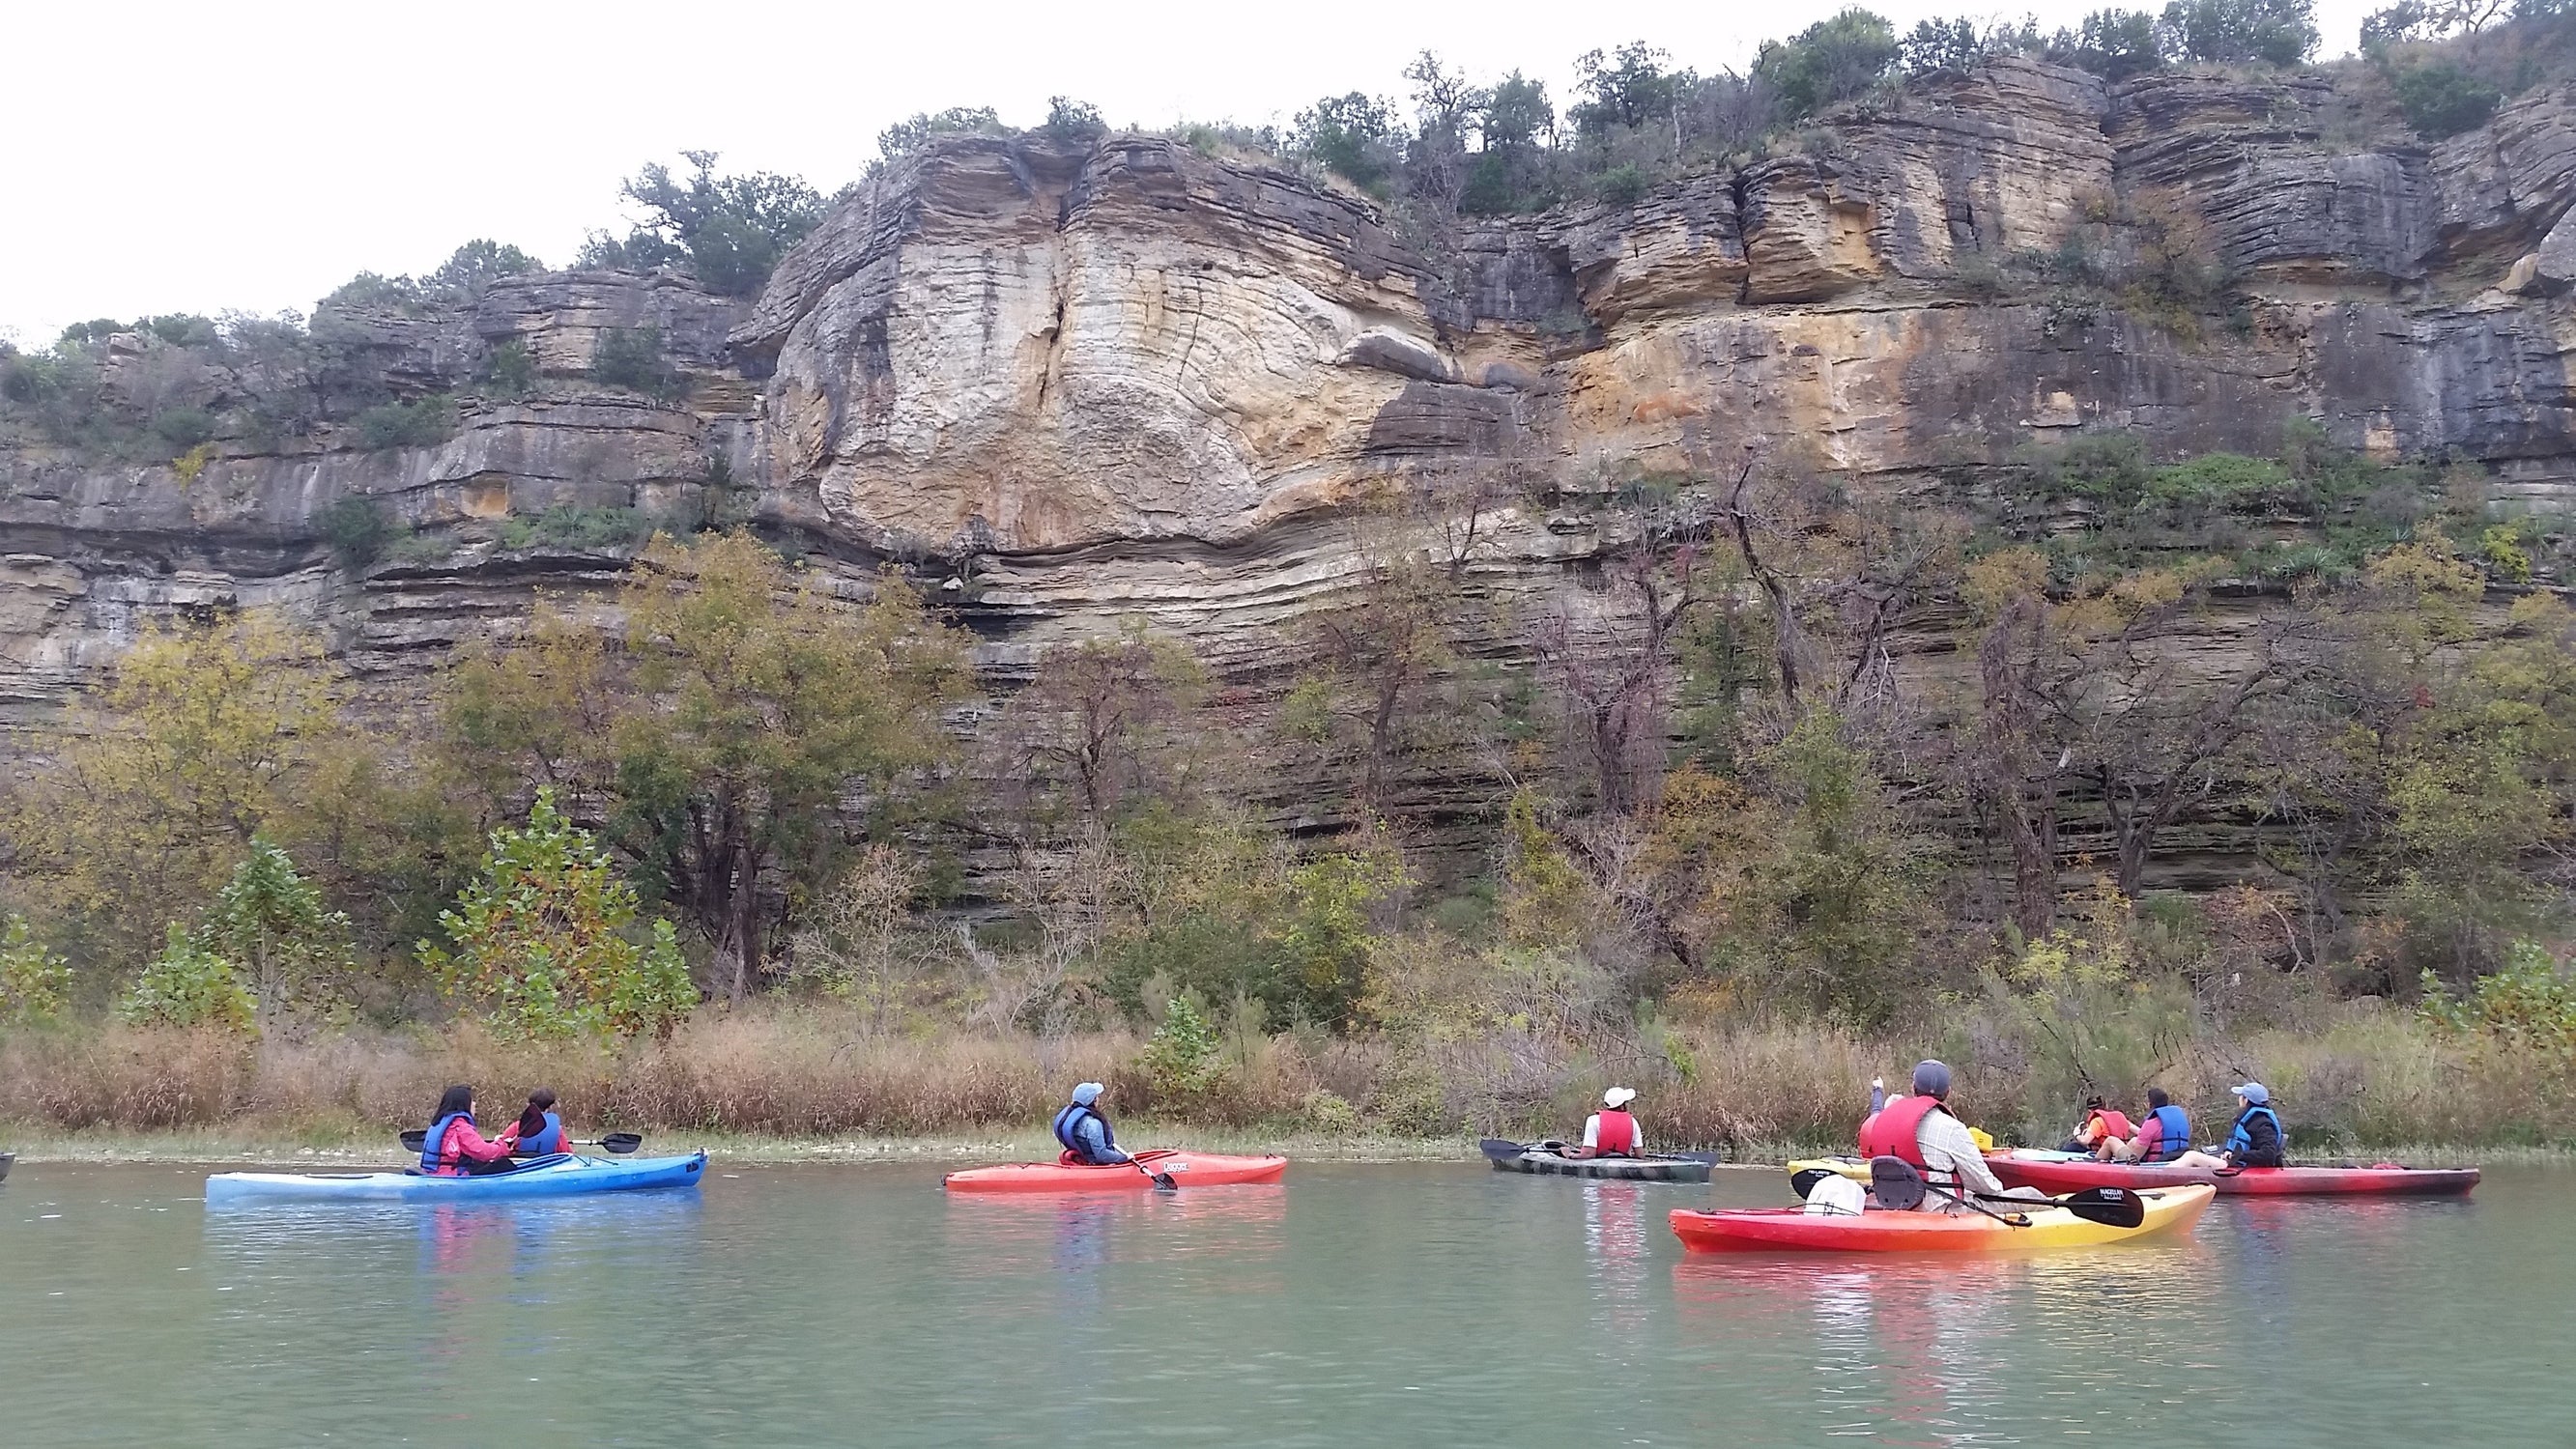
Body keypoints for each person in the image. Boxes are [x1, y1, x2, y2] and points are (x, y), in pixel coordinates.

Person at [1856, 1060, 2030, 1209]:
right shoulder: (1953, 1128)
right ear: (1948, 1092)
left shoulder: (1886, 1118)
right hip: (1940, 1211)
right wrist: (1999, 1189)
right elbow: (1986, 1187)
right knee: (2030, 1194)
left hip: (1893, 1206)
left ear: (1913, 1088)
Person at [2172, 1083, 2284, 1172]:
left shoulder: (2262, 1124)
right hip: (2238, 1163)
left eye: (2241, 1096)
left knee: (2192, 1156)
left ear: (2246, 1100)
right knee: (2197, 1154)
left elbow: (2268, 1154)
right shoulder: (2254, 1119)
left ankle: (2160, 1176)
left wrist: (2237, 1156)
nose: (2239, 1099)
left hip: (2246, 1168)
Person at [420, 1084, 519, 1176]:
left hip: (436, 1172)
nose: (474, 1104)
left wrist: (497, 1143)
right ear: (465, 1104)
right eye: (472, 1101)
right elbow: (485, 1153)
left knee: (479, 1162)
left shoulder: (440, 1122)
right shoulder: (460, 1127)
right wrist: (504, 1146)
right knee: (503, 1164)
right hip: (451, 1175)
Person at [1050, 1082, 1131, 1167]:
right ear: (1094, 1100)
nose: (1099, 1099)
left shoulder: (1069, 1118)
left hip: (1083, 1161)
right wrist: (1125, 1157)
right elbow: (1102, 1155)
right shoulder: (1093, 1124)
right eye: (1097, 1097)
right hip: (1095, 1165)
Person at [2102, 1087, 2190, 1163]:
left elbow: (2136, 1156)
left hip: (2153, 1163)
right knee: (2134, 1140)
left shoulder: (2152, 1123)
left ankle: (2092, 1166)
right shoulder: (2181, 1120)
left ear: (2150, 1104)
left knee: (2111, 1140)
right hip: (2176, 1159)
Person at [1576, 1088, 1644, 1158]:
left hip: (1599, 1166)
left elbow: (1588, 1154)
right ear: (1622, 1107)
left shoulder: (1593, 1120)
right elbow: (1640, 1155)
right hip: (1623, 1165)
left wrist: (1570, 1155)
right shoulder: (1633, 1122)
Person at [2059, 1095, 2132, 1154]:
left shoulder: (2097, 1121)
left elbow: (2085, 1141)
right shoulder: (2120, 1119)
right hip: (2119, 1150)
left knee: (2073, 1146)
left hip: (2103, 1153)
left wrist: (2077, 1134)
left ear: (2090, 1110)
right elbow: (2139, 1132)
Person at [513, 1089, 570, 1156]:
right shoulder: (557, 1130)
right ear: (549, 1107)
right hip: (546, 1164)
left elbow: (502, 1148)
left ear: (529, 1106)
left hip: (522, 1164)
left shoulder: (517, 1126)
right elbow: (567, 1153)